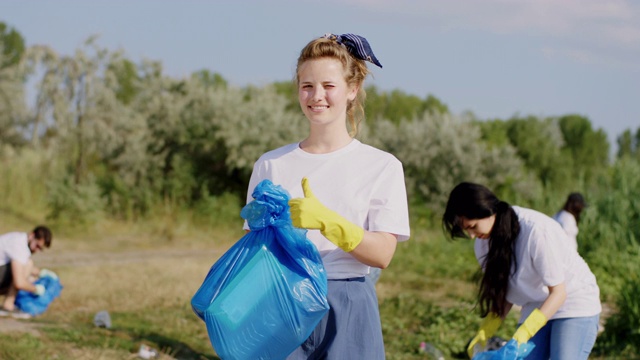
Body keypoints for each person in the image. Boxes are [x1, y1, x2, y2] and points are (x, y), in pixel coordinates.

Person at [244, 33, 411, 359]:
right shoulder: (271, 164)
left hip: (348, 302)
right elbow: (255, 252)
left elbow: (382, 255)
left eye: (328, 86)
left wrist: (327, 221)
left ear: (352, 90)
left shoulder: (382, 166)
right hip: (281, 302)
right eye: (307, 86)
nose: (316, 96)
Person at [442, 182, 601, 360]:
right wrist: (486, 330)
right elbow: (504, 293)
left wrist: (525, 331)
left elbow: (559, 293)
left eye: (472, 226)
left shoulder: (535, 231)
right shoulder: (483, 244)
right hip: (537, 304)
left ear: (487, 211)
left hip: (573, 301)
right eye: (466, 230)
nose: (471, 235)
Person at [0, 225, 54, 319]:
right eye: (37, 246)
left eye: (40, 249)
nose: (37, 250)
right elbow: (19, 283)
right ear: (32, 235)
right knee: (28, 265)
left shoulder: (18, 238)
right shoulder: (19, 246)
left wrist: (41, 273)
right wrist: (36, 289)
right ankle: (8, 305)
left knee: (30, 276)